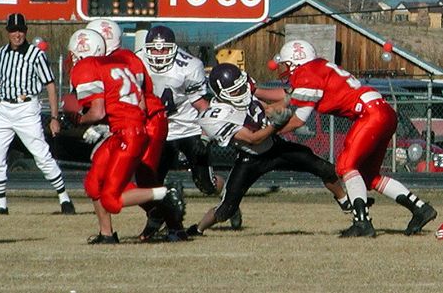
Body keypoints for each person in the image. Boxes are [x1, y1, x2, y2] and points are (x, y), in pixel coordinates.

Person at [273, 39, 437, 237]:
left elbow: (299, 120)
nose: (283, 68)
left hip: (370, 114)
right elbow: (287, 98)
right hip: (383, 111)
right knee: (369, 176)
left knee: (345, 166)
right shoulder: (319, 67)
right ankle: (420, 209)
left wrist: (272, 131)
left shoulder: (308, 74)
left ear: (294, 61)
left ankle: (362, 222)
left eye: (285, 63)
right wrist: (258, 94)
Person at [185, 63, 350, 236]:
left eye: (242, 87)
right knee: (226, 209)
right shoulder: (215, 116)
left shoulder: (245, 92)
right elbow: (253, 138)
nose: (241, 92)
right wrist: (276, 124)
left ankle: (345, 201)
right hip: (251, 159)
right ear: (221, 94)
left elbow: (269, 109)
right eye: (235, 91)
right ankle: (197, 229)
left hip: (275, 147)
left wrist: (295, 96)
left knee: (324, 168)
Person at [68, 28, 184, 244]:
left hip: (132, 130)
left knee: (114, 197)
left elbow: (98, 111)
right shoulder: (123, 61)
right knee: (94, 183)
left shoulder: (88, 66)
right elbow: (139, 99)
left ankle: (166, 197)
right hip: (128, 127)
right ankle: (107, 235)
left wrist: (77, 120)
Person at [136, 25, 239, 237]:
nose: (158, 54)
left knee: (205, 183)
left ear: (173, 48)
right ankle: (156, 219)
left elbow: (200, 103)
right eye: (154, 49)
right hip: (158, 128)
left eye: (164, 49)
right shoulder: (137, 62)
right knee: (150, 181)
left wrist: (206, 130)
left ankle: (231, 201)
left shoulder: (190, 65)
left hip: (188, 127)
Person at [0, 13, 74, 215]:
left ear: (26, 31)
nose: (17, 34)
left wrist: (54, 116)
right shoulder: (1, 53)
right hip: (4, 108)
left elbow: (50, 85)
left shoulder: (36, 55)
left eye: (21, 30)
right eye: (14, 30)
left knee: (41, 155)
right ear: (8, 32)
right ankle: (1, 204)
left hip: (26, 107)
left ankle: (64, 198)